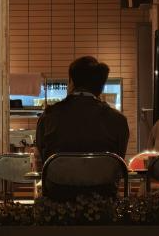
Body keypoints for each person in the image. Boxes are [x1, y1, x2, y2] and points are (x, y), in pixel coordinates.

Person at [34, 56, 129, 201]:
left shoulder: (49, 117)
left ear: (71, 82)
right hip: (104, 199)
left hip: (58, 199)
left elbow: (42, 158)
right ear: (100, 87)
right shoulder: (118, 120)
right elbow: (118, 163)